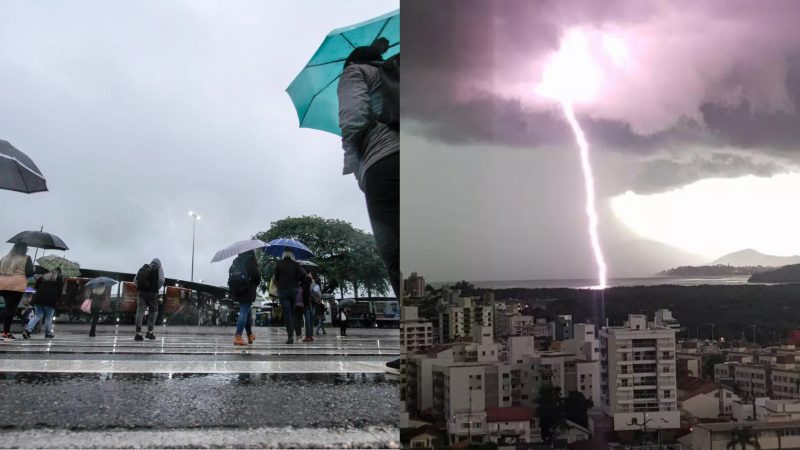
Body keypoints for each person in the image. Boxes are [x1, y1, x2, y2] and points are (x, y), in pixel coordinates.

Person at [337, 38, 400, 297]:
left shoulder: (355, 72)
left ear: (352, 62)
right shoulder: (398, 76)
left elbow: (354, 121)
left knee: (396, 254)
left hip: (385, 164)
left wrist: (353, 167)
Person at [0, 244, 34, 340]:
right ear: (23, 249)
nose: (27, 250)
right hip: (16, 285)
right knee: (10, 309)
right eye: (26, 249)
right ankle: (6, 332)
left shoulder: (5, 258)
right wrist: (32, 269)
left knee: (9, 309)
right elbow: (30, 273)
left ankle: (6, 332)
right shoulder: (26, 258)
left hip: (3, 285)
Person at [273, 248, 306, 344]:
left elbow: (276, 277)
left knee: (287, 313)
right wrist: (297, 281)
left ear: (284, 254)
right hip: (294, 290)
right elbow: (303, 275)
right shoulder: (296, 264)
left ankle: (290, 335)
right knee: (292, 312)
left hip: (283, 290)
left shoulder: (279, 263)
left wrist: (279, 284)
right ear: (292, 255)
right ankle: (293, 334)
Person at [229, 250, 261, 346]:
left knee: (247, 311)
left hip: (238, 290)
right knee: (244, 312)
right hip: (248, 289)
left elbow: (230, 272)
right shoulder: (251, 260)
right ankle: (238, 337)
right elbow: (256, 276)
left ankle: (250, 335)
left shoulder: (236, 261)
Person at [22, 267, 63, 339]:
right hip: (50, 301)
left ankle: (27, 331)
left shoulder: (43, 278)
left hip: (38, 299)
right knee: (48, 317)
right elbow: (60, 292)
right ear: (58, 272)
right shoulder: (59, 279)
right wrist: (58, 300)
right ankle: (48, 333)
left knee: (37, 315)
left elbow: (36, 287)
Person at [134, 258, 164, 341]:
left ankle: (138, 333)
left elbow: (135, 280)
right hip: (153, 293)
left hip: (142, 292)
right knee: (154, 311)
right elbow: (161, 280)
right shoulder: (159, 268)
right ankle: (149, 332)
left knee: (140, 311)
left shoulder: (145, 267)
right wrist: (155, 288)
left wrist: (140, 288)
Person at [301, 272, 314, 343]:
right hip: (312, 301)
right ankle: (311, 335)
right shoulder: (311, 281)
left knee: (307, 319)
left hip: (306, 302)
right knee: (310, 319)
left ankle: (308, 336)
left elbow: (305, 293)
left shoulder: (305, 281)